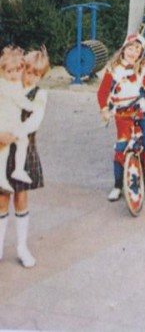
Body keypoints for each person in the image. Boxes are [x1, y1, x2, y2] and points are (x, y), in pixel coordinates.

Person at [97, 33, 145, 203]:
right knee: (121, 147)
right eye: (130, 48)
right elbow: (102, 93)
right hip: (122, 113)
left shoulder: (141, 68)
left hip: (142, 111)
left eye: (137, 50)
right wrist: (105, 109)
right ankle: (118, 185)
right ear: (123, 48)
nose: (132, 53)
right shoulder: (113, 70)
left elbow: (144, 90)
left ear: (141, 54)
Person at [0, 46, 50, 268]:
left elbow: (34, 121)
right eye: (27, 72)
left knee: (20, 197)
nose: (30, 77)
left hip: (23, 147)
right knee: (1, 199)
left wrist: (14, 133)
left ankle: (21, 247)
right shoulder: (9, 85)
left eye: (36, 74)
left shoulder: (40, 94)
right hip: (2, 145)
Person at [0, 46, 36, 191]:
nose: (14, 75)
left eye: (17, 71)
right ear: (2, 71)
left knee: (16, 144)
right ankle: (15, 171)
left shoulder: (12, 83)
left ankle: (13, 172)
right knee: (10, 146)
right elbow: (20, 100)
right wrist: (32, 106)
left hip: (12, 121)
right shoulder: (6, 85)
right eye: (9, 72)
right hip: (5, 122)